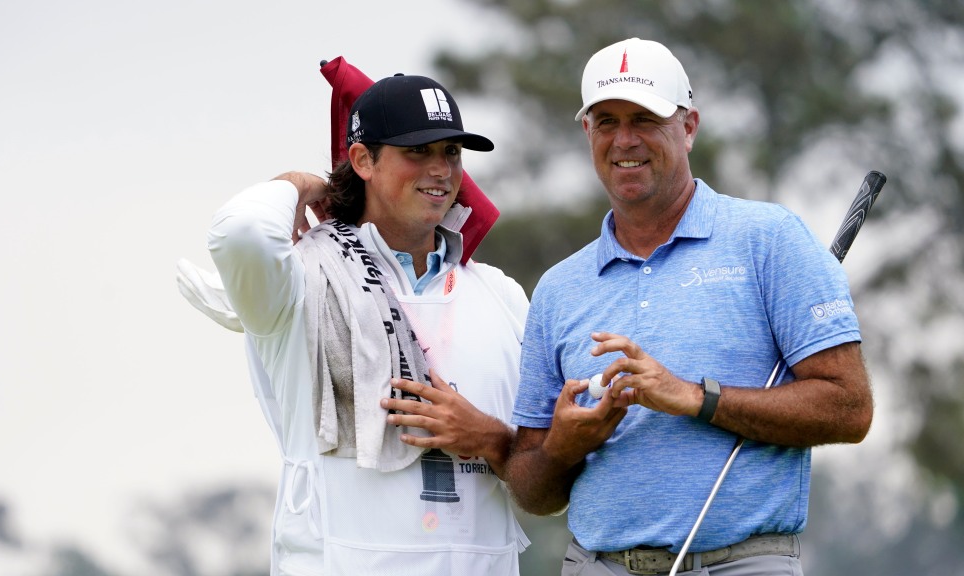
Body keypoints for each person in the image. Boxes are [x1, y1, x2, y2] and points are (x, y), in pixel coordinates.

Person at [504, 38, 874, 576]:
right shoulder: (559, 288)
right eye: (606, 121)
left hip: (744, 563)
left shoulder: (770, 238)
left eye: (645, 119)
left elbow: (850, 408)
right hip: (595, 566)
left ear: (689, 126)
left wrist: (691, 396)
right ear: (588, 132)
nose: (624, 139)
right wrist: (562, 448)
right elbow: (532, 492)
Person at [202, 72, 530, 576]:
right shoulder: (299, 280)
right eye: (417, 152)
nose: (441, 170)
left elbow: (540, 456)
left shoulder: (500, 294)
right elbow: (241, 231)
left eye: (451, 153)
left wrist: (486, 436)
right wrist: (299, 184)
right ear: (362, 160)